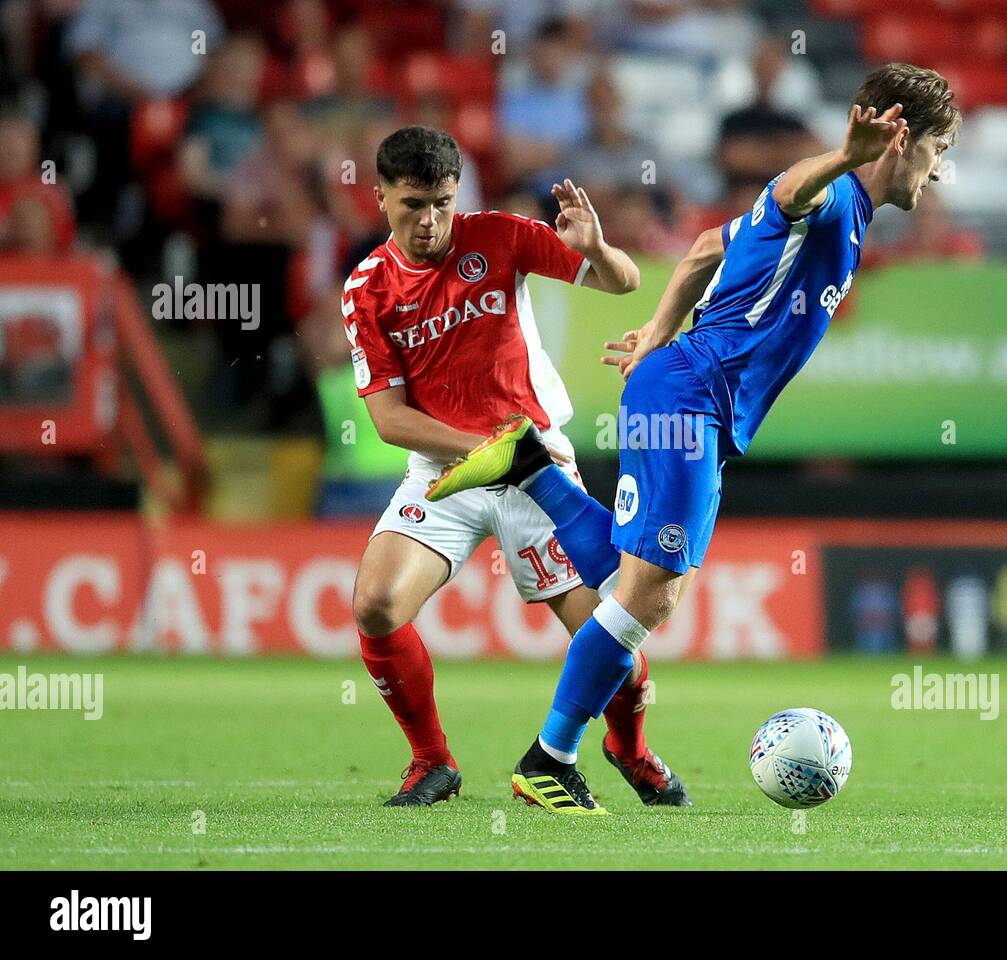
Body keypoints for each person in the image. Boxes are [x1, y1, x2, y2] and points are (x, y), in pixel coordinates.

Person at [427, 63, 959, 813]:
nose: (940, 174)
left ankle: (530, 469)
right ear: (901, 139)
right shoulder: (835, 193)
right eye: (938, 150)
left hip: (683, 387)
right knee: (651, 594)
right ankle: (548, 758)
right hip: (692, 396)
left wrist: (657, 328)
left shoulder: (851, 217)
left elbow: (709, 244)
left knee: (630, 582)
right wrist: (843, 156)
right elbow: (788, 190)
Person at [345, 125, 690, 809]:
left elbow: (622, 284)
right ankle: (432, 763)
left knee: (606, 631)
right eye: (413, 204)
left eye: (442, 202)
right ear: (380, 196)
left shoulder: (499, 235)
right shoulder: (367, 289)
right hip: (448, 469)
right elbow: (389, 419)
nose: (430, 220)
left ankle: (630, 745)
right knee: (376, 606)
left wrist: (596, 247)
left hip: (536, 465)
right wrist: (479, 451)